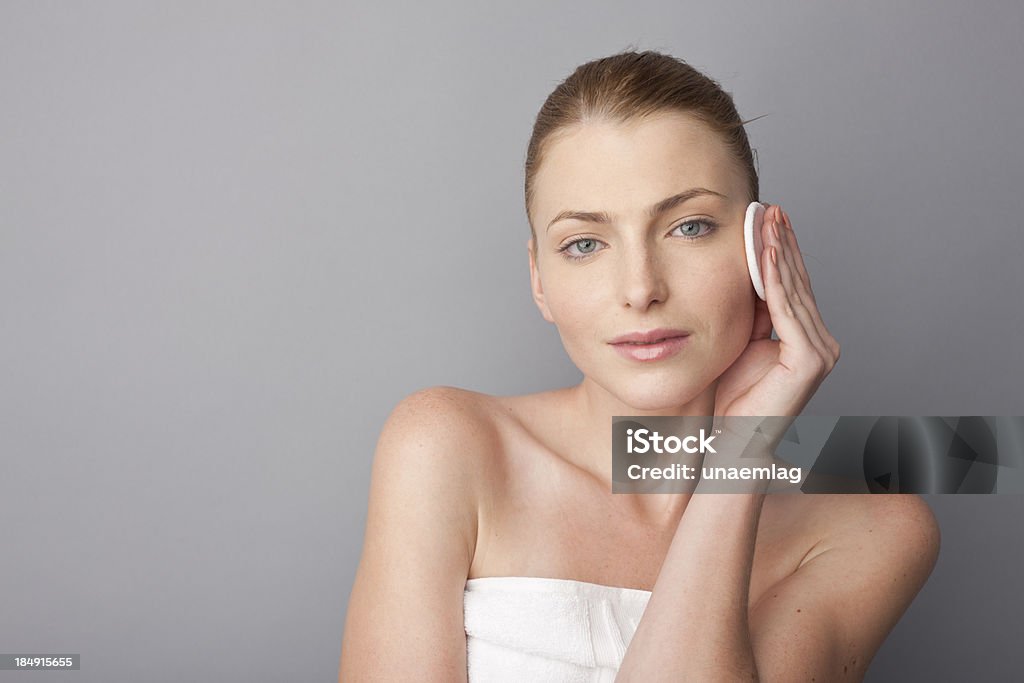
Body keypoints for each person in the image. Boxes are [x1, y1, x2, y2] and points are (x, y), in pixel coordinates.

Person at [338, 49, 940, 682]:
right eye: (585, 243)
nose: (640, 288)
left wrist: (739, 455)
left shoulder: (874, 525)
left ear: (761, 248)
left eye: (688, 227)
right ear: (539, 280)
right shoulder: (447, 447)